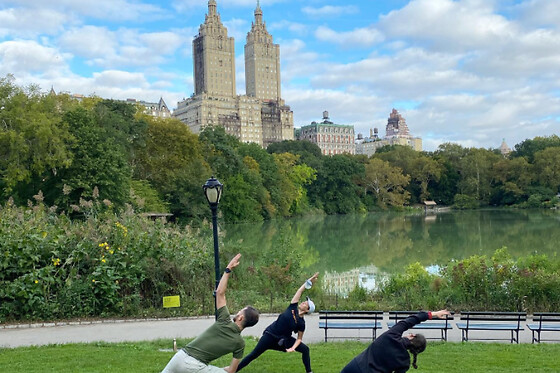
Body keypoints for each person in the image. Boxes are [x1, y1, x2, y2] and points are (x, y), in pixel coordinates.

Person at [162, 253, 260, 373]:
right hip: (194, 366)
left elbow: (220, 292)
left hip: (179, 357)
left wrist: (228, 269)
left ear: (240, 317)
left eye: (240, 311)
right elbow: (232, 371)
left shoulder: (224, 320)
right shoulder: (240, 344)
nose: (238, 311)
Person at [235, 272, 320, 373]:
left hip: (282, 342)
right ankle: (233, 371)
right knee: (253, 355)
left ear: (307, 310)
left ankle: (309, 372)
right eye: (305, 301)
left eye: (306, 303)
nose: (304, 302)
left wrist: (293, 348)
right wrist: (309, 281)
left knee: (305, 349)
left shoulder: (301, 323)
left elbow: (299, 339)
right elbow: (300, 291)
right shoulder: (292, 307)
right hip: (270, 336)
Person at [340, 309, 451, 373]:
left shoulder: (392, 335)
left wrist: (434, 314)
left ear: (411, 336)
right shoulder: (404, 362)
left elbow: (411, 320)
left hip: (355, 367)